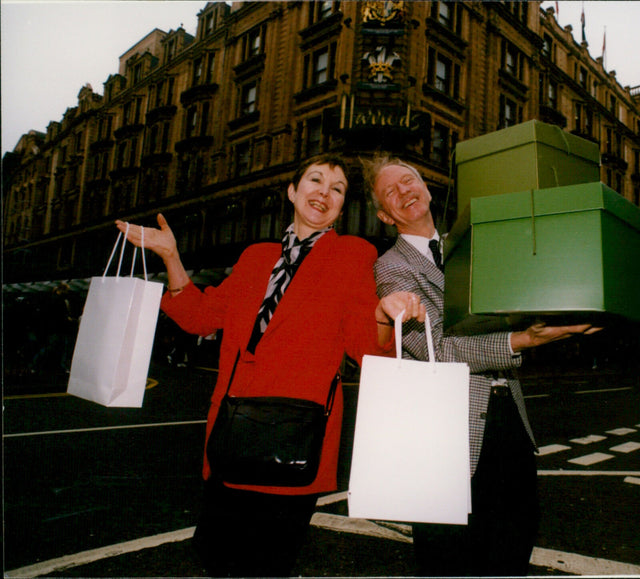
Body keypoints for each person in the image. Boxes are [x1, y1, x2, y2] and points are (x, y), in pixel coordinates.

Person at [117, 153, 424, 577]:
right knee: (216, 559)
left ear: (341, 206)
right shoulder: (255, 256)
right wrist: (170, 255)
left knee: (267, 564)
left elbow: (365, 349)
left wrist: (383, 314)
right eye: (315, 181)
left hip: (294, 436)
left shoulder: (353, 254)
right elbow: (200, 317)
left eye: (337, 189)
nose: (324, 193)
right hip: (232, 431)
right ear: (292, 192)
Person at [365, 155, 600, 576]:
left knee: (514, 545)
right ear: (385, 215)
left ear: (427, 187)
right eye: (390, 192)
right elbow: (436, 348)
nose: (404, 191)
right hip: (444, 430)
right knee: (448, 559)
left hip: (509, 416)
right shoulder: (391, 267)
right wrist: (526, 340)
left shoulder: (475, 246)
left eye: (408, 180)